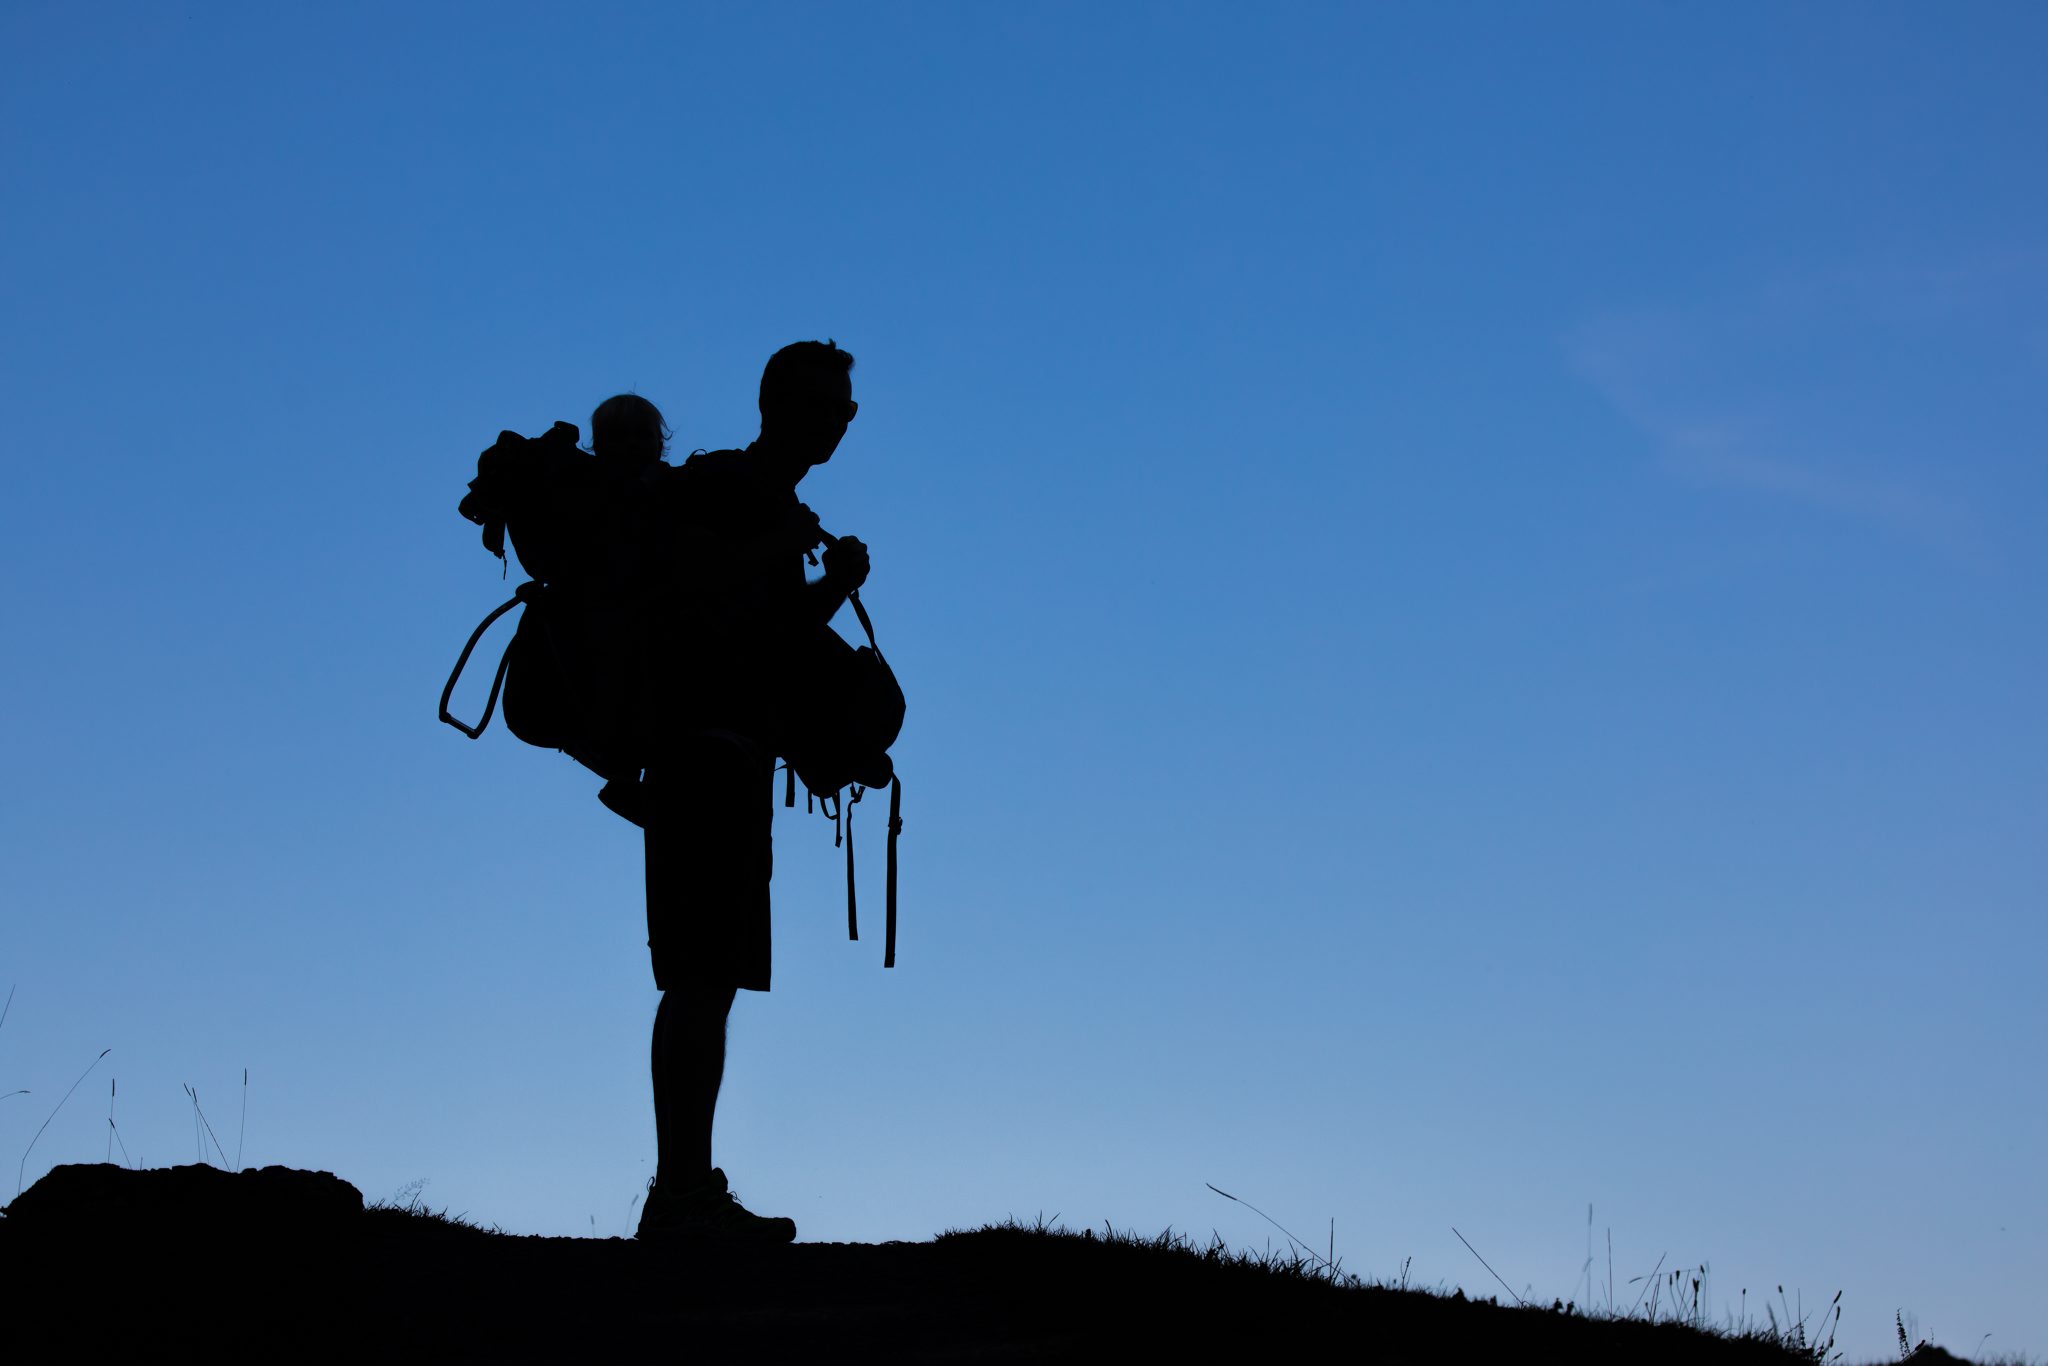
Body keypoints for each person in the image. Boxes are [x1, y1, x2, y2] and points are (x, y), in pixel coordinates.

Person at [635, 340, 870, 1241]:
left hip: (732, 761)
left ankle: (685, 1189)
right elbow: (693, 582)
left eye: (845, 410)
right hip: (701, 757)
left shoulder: (771, 502)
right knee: (702, 975)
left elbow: (762, 638)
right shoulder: (727, 484)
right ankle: (680, 1197)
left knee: (712, 977)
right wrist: (788, 544)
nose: (835, 422)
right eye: (821, 404)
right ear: (773, 403)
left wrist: (830, 588)